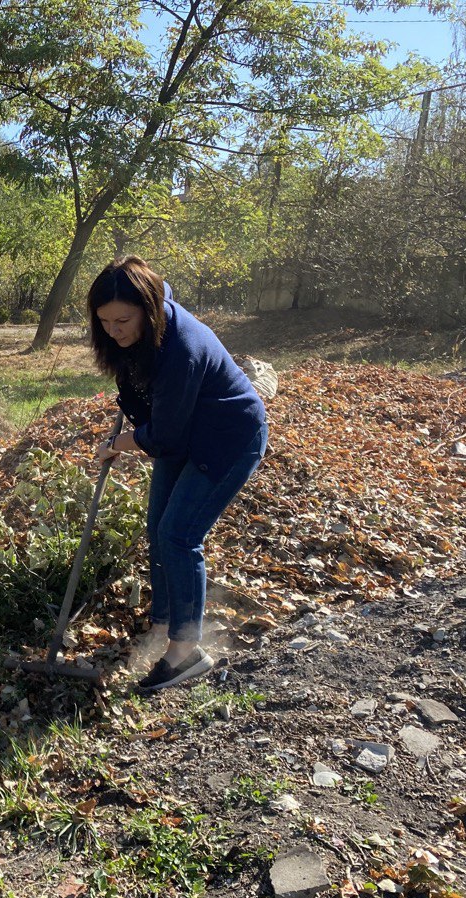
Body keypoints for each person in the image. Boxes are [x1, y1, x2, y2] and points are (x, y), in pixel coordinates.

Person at [90, 256, 267, 693]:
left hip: (227, 437)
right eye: (105, 322)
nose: (113, 330)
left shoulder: (181, 347)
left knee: (178, 535)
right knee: (158, 528)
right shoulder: (143, 327)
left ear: (147, 309)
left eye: (122, 321)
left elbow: (164, 437)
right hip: (186, 429)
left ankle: (186, 651)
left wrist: (117, 445)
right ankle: (165, 621)